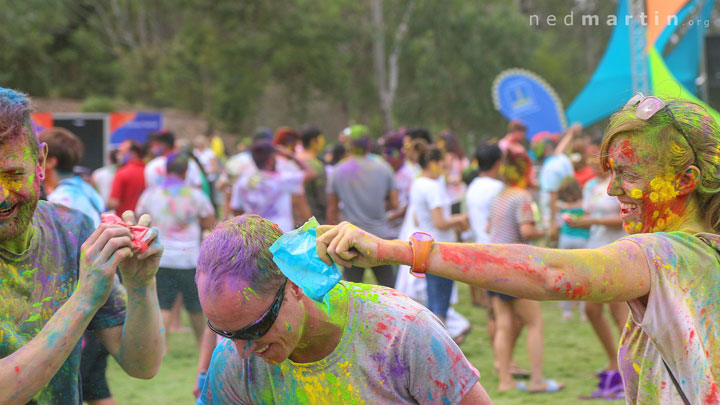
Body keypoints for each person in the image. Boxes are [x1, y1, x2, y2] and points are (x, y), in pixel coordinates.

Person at [317, 94, 720, 403]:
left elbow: (549, 274)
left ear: (686, 180)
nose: (614, 188)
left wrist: (398, 251)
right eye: (610, 172)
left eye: (629, 174)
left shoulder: (668, 254)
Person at [195, 215, 489, 404]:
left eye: (256, 328)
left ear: (294, 284)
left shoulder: (404, 332)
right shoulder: (232, 360)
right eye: (224, 332)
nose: (244, 350)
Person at [0, 87, 164, 403]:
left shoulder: (72, 229)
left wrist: (141, 285)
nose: (3, 196)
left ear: (41, 162)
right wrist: (84, 299)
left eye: (13, 174)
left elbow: (142, 364)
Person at [39, 127, 119, 404]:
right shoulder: (86, 189)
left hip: (84, 299)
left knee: (78, 383)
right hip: (104, 288)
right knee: (96, 384)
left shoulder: (62, 204)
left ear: (50, 161)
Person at [136, 153, 216, 350]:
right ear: (185, 171)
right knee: (197, 308)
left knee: (163, 305)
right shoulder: (195, 195)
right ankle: (203, 348)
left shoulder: (151, 193)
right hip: (189, 258)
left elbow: (141, 220)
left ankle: (160, 351)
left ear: (165, 170)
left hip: (161, 256)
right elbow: (209, 222)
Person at [568, 150, 628, 399]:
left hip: (616, 254)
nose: (590, 161)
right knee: (591, 310)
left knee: (619, 312)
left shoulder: (621, 183)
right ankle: (613, 361)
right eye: (589, 156)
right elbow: (589, 214)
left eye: (596, 156)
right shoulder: (591, 185)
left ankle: (629, 368)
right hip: (594, 251)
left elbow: (624, 218)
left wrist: (591, 220)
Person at [326, 124, 398, 287]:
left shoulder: (338, 171)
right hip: (380, 237)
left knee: (351, 289)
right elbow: (395, 203)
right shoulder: (384, 167)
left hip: (351, 238)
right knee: (388, 288)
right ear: (369, 144)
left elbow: (332, 209)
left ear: (348, 144)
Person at [409, 143, 469, 323]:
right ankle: (438, 346)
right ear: (432, 162)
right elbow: (440, 222)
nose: (445, 167)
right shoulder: (434, 187)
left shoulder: (418, 183)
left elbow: (418, 218)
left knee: (433, 301)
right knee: (440, 305)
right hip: (440, 249)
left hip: (423, 249)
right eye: (442, 162)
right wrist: (459, 219)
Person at [230, 140, 315, 232]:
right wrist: (291, 156)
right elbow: (311, 173)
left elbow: (236, 209)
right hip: (281, 235)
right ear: (270, 160)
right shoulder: (282, 179)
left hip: (256, 235)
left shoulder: (242, 182)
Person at [107, 139, 146, 216]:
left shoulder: (122, 173)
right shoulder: (148, 171)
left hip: (124, 222)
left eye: (122, 153)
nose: (118, 156)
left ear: (133, 154)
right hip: (144, 222)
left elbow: (114, 203)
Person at [298, 124, 327, 224]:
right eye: (321, 139)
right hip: (315, 218)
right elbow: (321, 197)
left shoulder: (295, 160)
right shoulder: (316, 165)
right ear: (313, 141)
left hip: (298, 218)